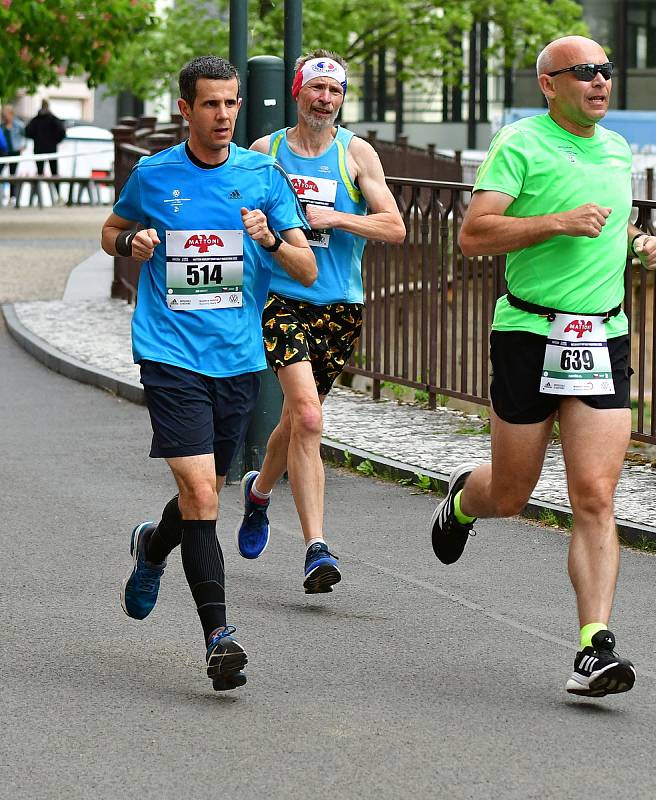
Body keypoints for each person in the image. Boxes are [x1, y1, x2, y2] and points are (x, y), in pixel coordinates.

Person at [430, 36, 656, 698]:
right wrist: (556, 221)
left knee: (593, 494)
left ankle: (594, 647)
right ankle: (462, 499)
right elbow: (473, 235)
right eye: (583, 72)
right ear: (548, 84)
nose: (598, 81)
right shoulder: (519, 145)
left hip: (601, 339)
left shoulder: (616, 149)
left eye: (605, 71)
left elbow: (610, 220)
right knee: (510, 494)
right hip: (529, 333)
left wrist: (636, 240)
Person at [101, 55, 316, 691]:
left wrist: (273, 241)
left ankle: (152, 547)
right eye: (211, 105)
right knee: (200, 495)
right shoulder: (153, 173)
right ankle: (218, 634)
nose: (224, 116)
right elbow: (112, 228)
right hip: (168, 352)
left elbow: (304, 269)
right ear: (186, 110)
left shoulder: (263, 177)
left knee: (208, 491)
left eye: (231, 104)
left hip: (238, 358)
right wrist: (130, 244)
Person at [237, 49, 405, 593]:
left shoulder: (355, 153)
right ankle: (316, 548)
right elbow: (237, 211)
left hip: (339, 304)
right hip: (280, 296)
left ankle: (259, 492)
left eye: (334, 91)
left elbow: (394, 228)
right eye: (316, 89)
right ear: (297, 93)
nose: (324, 99)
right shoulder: (268, 151)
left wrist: (335, 217)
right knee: (308, 418)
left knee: (295, 419)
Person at [25, 100, 66, 199]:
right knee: (54, 173)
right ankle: (58, 196)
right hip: (51, 149)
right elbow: (62, 132)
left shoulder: (35, 120)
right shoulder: (54, 119)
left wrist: (37, 137)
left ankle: (36, 198)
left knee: (39, 173)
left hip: (39, 149)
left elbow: (27, 132)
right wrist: (55, 141)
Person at [1, 105, 27, 207]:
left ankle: (12, 197)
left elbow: (25, 137)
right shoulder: (2, 126)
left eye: (6, 114)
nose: (4, 116)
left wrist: (23, 146)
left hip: (14, 152)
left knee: (13, 174)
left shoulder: (18, 125)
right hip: (3, 152)